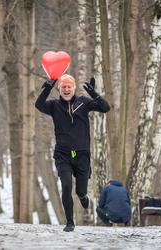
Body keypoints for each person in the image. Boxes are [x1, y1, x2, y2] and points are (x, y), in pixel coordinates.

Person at [35, 74, 110, 232]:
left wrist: (94, 93)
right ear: (60, 89)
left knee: (80, 190)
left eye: (69, 87)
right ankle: (70, 222)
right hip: (63, 155)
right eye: (63, 87)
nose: (67, 89)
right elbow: (39, 104)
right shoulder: (54, 105)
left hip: (82, 153)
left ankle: (83, 196)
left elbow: (105, 108)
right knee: (66, 185)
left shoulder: (84, 102)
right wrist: (48, 86)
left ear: (74, 88)